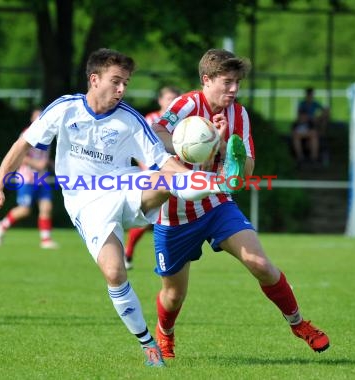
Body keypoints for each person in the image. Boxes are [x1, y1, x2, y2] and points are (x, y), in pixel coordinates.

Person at [0, 48, 231, 367]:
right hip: (85, 202)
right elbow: (23, 144)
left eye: (125, 83)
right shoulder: (65, 109)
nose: (121, 90)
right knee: (114, 272)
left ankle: (214, 182)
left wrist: (193, 177)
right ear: (94, 79)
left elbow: (163, 161)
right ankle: (147, 344)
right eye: (116, 82)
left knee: (164, 181)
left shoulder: (130, 119)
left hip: (124, 184)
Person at [151, 49, 330, 359]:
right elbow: (157, 133)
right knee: (174, 295)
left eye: (238, 83)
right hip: (175, 214)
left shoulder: (239, 115)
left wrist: (222, 145)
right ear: (206, 80)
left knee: (260, 264)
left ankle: (299, 324)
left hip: (217, 204)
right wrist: (194, 142)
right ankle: (164, 334)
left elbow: (244, 173)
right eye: (227, 82)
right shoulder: (187, 104)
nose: (234, 90)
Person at [124, 85, 181, 270]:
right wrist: (146, 170)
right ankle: (127, 252)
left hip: (176, 173)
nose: (171, 102)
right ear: (160, 100)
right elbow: (138, 147)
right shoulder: (150, 119)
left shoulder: (184, 122)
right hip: (154, 174)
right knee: (151, 217)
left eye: (175, 98)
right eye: (168, 98)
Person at [0, 108, 59, 249]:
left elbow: (44, 158)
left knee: (46, 206)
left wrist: (52, 165)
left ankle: (45, 240)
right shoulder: (26, 133)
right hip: (26, 177)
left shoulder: (49, 135)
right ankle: (3, 225)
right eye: (36, 117)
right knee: (24, 210)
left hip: (42, 178)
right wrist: (37, 164)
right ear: (32, 119)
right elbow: (19, 156)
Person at [291, 87, 329, 164]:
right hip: (304, 128)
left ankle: (313, 158)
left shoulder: (315, 104)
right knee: (297, 136)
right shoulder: (302, 104)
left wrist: (319, 118)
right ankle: (300, 157)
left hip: (311, 126)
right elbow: (300, 118)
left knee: (313, 136)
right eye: (309, 94)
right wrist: (307, 118)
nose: (310, 96)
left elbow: (324, 112)